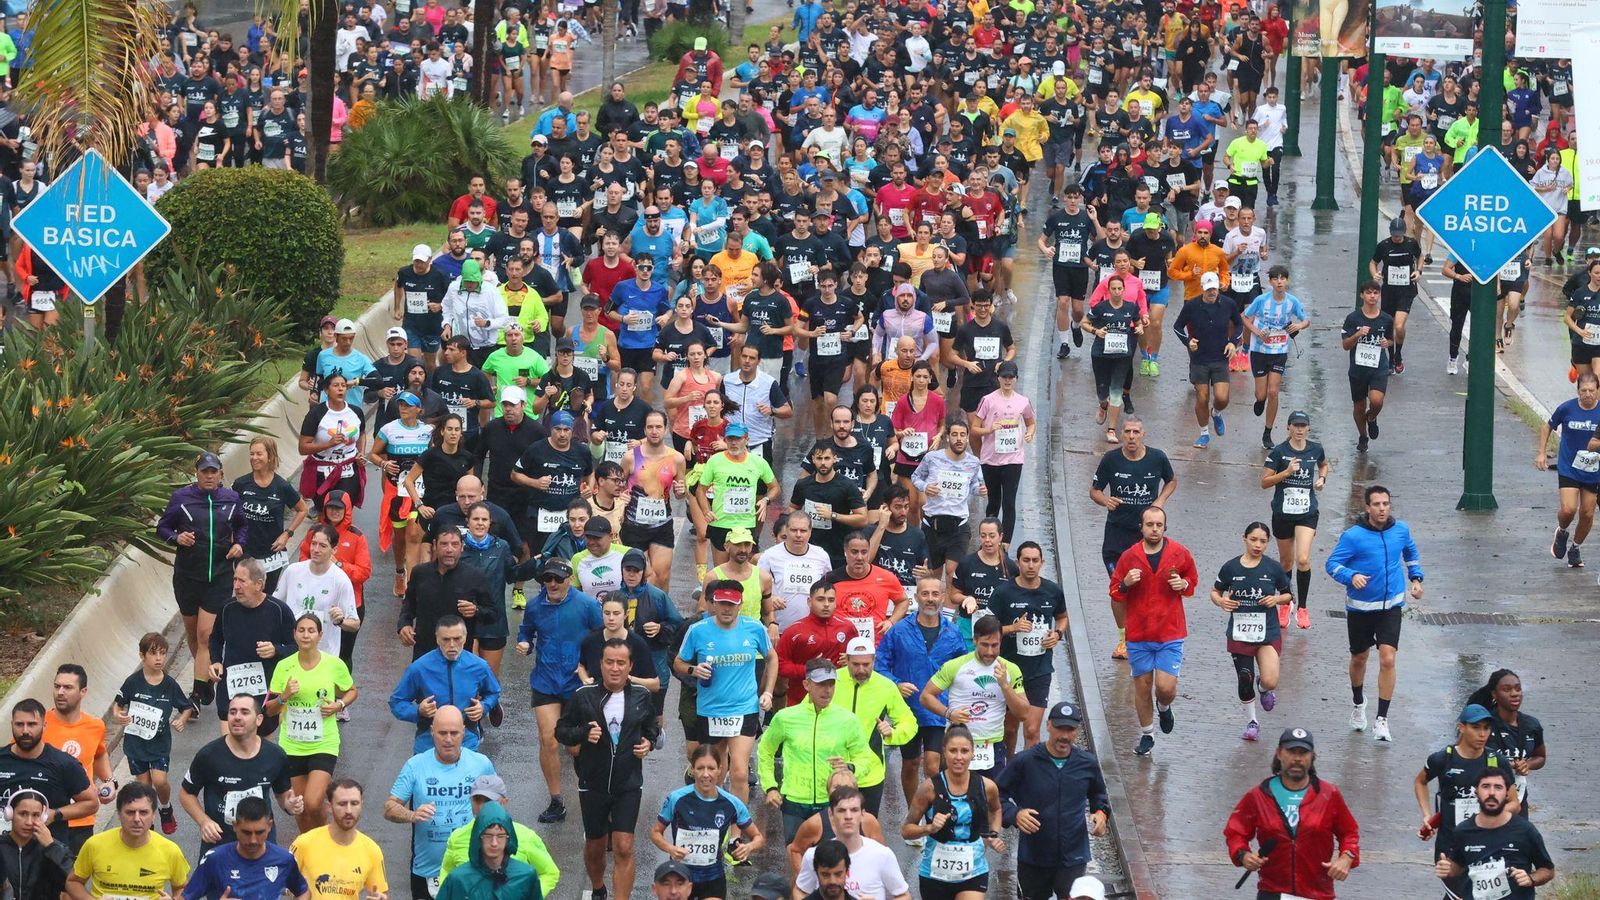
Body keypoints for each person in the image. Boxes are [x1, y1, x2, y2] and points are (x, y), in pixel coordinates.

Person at [556, 638, 660, 900]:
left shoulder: (641, 695)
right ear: (600, 665)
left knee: (624, 846)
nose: (615, 668)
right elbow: (561, 731)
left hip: (628, 783)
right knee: (595, 846)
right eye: (609, 662)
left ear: (630, 666)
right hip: (593, 783)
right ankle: (599, 888)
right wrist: (583, 733)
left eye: (621, 663)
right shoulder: (583, 696)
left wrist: (647, 743)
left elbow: (652, 729)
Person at [1326, 485, 1423, 743]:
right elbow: (1332, 564)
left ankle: (1382, 720)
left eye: (1386, 503)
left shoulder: (1400, 530)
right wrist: (1351, 576)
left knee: (1388, 659)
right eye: (1377, 504)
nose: (1382, 508)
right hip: (1360, 608)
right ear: (1367, 508)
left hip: (1391, 606)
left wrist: (1416, 579)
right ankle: (1358, 704)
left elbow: (1411, 553)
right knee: (1359, 658)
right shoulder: (1353, 536)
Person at [1224, 727, 1360, 900]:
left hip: (1318, 893)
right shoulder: (1259, 795)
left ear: (1312, 757)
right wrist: (1243, 855)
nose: (1297, 759)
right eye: (1291, 752)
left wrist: (1347, 857)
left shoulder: (1328, 794)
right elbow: (1235, 832)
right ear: (1279, 754)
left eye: (1303, 753)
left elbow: (1349, 832)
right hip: (1272, 892)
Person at [157, 451, 248, 708]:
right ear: (196, 474)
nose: (209, 476)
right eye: (204, 472)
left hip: (219, 575)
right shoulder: (181, 498)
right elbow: (162, 527)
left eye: (214, 472)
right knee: (192, 633)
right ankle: (206, 677)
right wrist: (177, 538)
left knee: (205, 634)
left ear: (221, 474)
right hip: (187, 576)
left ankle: (196, 695)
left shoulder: (231, 499)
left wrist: (239, 545)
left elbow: (242, 526)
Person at [515, 556, 602, 824]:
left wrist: (589, 671)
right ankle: (556, 800)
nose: (551, 584)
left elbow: (601, 638)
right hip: (546, 681)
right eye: (546, 579)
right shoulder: (534, 606)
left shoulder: (587, 605)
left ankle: (592, 791)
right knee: (548, 738)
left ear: (569, 580)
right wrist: (524, 643)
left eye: (557, 579)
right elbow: (525, 631)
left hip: (577, 683)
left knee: (576, 748)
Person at [995, 703, 1111, 899]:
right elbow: (996, 795)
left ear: (1077, 730)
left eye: (1070, 729)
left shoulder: (1087, 763)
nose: (1064, 736)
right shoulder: (1025, 761)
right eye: (1059, 728)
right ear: (1048, 725)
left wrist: (1101, 814)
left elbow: (1099, 795)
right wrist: (1014, 814)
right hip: (1034, 856)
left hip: (1073, 857)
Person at [1109, 506, 1198, 757]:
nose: (1155, 529)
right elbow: (1115, 591)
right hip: (1139, 633)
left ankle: (1164, 705)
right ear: (1142, 527)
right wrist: (1125, 584)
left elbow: (1192, 579)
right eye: (1150, 524)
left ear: (1165, 527)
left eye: (1159, 525)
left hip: (1170, 632)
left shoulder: (1179, 553)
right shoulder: (1129, 556)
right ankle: (1147, 733)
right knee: (1142, 685)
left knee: (1165, 687)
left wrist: (1184, 584)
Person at [386, 706, 497, 899]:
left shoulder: (481, 764)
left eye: (454, 733)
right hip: (427, 871)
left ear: (463, 732)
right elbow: (389, 808)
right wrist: (412, 815)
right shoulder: (416, 765)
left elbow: (498, 805)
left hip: (471, 867)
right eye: (442, 733)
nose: (448, 739)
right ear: (432, 733)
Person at [758, 659, 873, 844]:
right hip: (794, 802)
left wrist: (850, 768)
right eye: (821, 684)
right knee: (796, 858)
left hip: (832, 801)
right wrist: (770, 787)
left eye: (831, 684)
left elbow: (865, 758)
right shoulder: (786, 718)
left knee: (833, 863)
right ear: (807, 685)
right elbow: (765, 751)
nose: (827, 690)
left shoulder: (848, 720)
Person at [1090, 417, 1175, 659]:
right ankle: (1124, 639)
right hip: (1116, 537)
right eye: (1126, 431)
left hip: (1146, 540)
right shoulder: (1111, 459)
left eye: (1135, 432)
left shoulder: (1157, 458)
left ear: (1143, 434)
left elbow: (1171, 481)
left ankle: (1145, 635)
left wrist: (1159, 502)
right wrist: (1105, 500)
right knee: (1119, 589)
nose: (1130, 436)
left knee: (1146, 589)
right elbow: (1094, 490)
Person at [1415, 705, 1519, 900]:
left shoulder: (1497, 761)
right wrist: (1427, 814)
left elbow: (1515, 803)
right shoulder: (1443, 758)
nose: (1482, 734)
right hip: (1450, 846)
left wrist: (1491, 815)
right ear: (1461, 727)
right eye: (1476, 727)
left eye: (1486, 728)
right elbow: (1420, 781)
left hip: (1488, 845)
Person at [266, 613, 357, 834]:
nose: (306, 635)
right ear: (294, 634)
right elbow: (269, 709)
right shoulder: (284, 666)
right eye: (301, 630)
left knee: (314, 802)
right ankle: (310, 850)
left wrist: (339, 705)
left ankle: (323, 840)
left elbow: (351, 691)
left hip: (323, 743)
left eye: (311, 630)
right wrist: (284, 696)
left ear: (320, 635)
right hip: (293, 745)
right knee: (301, 808)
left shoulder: (333, 665)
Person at [179, 695, 303, 855]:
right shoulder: (209, 755)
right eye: (232, 712)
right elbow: (186, 794)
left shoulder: (275, 755)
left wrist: (290, 804)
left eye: (244, 712)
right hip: (220, 844)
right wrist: (204, 822)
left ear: (259, 719)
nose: (237, 717)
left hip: (261, 844)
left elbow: (283, 795)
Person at [902, 725, 1005, 900]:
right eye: (953, 751)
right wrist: (929, 828)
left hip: (973, 870)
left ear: (973, 753)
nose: (959, 757)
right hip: (935, 874)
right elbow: (906, 831)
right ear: (944, 752)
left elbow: (996, 809)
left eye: (964, 751)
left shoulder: (987, 786)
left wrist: (993, 834)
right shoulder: (929, 788)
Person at [920, 616, 1029, 780]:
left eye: (995, 645)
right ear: (975, 641)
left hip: (992, 745)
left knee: (992, 801)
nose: (990, 652)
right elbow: (926, 696)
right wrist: (949, 714)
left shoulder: (1011, 670)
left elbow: (1023, 713)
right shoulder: (955, 666)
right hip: (958, 744)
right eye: (985, 645)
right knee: (955, 800)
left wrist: (1005, 686)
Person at [1211, 523, 1292, 742]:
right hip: (1240, 632)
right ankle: (1252, 721)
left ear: (1268, 543)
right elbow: (1215, 591)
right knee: (1244, 677)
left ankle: (1264, 689)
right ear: (1244, 539)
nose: (1257, 545)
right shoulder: (1231, 568)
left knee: (1271, 679)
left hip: (1267, 631)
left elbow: (1288, 595)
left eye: (1263, 541)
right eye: (1253, 540)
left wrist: (1276, 599)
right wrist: (1221, 601)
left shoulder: (1273, 568)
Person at [651, 745, 764, 897]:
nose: (705, 774)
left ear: (720, 770)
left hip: (713, 878)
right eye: (700, 768)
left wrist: (748, 847)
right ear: (692, 770)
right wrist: (670, 848)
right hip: (680, 879)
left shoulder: (732, 803)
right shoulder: (676, 798)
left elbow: (758, 838)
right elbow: (656, 833)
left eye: (711, 768)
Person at [113, 633, 197, 836]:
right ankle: (148, 822)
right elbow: (118, 704)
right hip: (136, 743)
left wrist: (182, 720)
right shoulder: (133, 682)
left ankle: (165, 808)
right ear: (142, 656)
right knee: (144, 786)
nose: (159, 658)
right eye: (153, 653)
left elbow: (186, 707)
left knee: (160, 782)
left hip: (159, 743)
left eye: (163, 653)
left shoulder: (169, 684)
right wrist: (118, 716)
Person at [1433, 769, 1554, 898]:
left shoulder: (1525, 830)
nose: (1491, 793)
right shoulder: (1463, 831)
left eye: (1498, 787)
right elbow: (1458, 866)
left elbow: (1548, 870)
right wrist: (1448, 869)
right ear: (1476, 792)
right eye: (1485, 787)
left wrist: (1530, 879)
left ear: (1507, 794)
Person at [390, 615, 502, 754]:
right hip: (428, 742)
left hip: (467, 740)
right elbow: (397, 702)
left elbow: (493, 692)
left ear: (465, 638)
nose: (452, 645)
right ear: (437, 639)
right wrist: (418, 711)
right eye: (446, 639)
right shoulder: (420, 668)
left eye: (457, 639)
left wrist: (483, 707)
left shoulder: (479, 666)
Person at [209, 560, 296, 736]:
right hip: (231, 689)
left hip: (265, 693)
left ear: (259, 584)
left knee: (259, 754)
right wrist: (216, 661)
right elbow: (215, 639)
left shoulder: (279, 610)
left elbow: (296, 648)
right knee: (230, 751)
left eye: (242, 581)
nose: (236, 586)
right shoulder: (227, 609)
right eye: (234, 580)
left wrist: (276, 650)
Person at [832, 637, 917, 816]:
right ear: (846, 660)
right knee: (833, 831)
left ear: (874, 661)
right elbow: (807, 714)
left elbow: (909, 722)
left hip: (870, 773)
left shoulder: (886, 686)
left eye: (866, 664)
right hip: (834, 771)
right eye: (855, 664)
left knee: (866, 830)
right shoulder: (832, 681)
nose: (861, 670)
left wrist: (893, 733)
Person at [1262, 411, 1328, 627]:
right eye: (1296, 425)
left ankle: (1303, 608)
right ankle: (1286, 603)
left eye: (1303, 426)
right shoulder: (1279, 452)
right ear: (1288, 427)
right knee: (1286, 562)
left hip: (1307, 513)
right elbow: (1264, 482)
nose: (1299, 430)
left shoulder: (1315, 449)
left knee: (1303, 559)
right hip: (1283, 514)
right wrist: (1287, 472)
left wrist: (1322, 479)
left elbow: (1323, 464)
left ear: (1308, 428)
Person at [68, 783, 189, 900]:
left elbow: (182, 888)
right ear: (119, 815)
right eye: (130, 812)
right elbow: (73, 882)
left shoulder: (171, 851)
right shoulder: (94, 845)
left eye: (143, 812)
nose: (137, 819)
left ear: (153, 816)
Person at [0, 700, 95, 847]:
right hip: (6, 855)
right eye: (19, 724)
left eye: (32, 724)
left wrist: (55, 815)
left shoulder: (63, 763)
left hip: (48, 855)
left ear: (44, 726)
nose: (25, 730)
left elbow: (91, 803)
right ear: (12, 724)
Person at [793, 786, 911, 900]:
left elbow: (903, 895)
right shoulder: (813, 855)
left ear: (863, 814)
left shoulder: (882, 855)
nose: (848, 816)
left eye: (854, 810)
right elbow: (801, 891)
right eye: (841, 810)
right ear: (831, 814)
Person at [181, 795, 309, 899]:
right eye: (246, 832)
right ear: (235, 825)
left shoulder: (285, 859)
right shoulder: (215, 859)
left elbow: (303, 892)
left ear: (269, 826)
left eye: (259, 832)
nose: (253, 840)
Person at [42, 664, 112, 851]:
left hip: (81, 819)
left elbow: (99, 754)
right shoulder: (38, 725)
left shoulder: (96, 726)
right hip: (45, 821)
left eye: (68, 687)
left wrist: (109, 781)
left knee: (75, 879)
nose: (60, 692)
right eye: (57, 687)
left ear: (83, 692)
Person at [1170, 271, 1243, 449]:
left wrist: (1233, 343)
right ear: (1202, 288)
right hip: (1199, 359)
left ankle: (1216, 413)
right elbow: (1177, 326)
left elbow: (1239, 324)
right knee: (1202, 398)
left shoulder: (1228, 304)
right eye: (1209, 289)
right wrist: (1188, 342)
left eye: (1215, 289)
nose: (1212, 292)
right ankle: (1204, 433)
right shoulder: (1192, 306)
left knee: (1222, 397)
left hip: (1220, 357)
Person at [1241, 267, 1309, 449]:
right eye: (1275, 279)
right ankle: (1259, 401)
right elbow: (1245, 317)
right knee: (1262, 393)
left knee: (1273, 392)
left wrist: (1298, 326)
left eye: (1283, 279)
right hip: (1260, 351)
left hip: (1279, 351)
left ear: (1287, 281)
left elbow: (1306, 320)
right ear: (1270, 281)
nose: (1279, 282)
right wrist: (1256, 331)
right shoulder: (1261, 300)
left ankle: (1267, 432)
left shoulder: (1292, 301)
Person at [1537, 372, 1600, 569]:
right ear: (1578, 391)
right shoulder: (1567, 408)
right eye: (1584, 391)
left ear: (1598, 391)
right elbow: (1547, 427)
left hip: (1593, 471)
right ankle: (1562, 531)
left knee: (1587, 513)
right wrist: (1541, 453)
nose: (1588, 394)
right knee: (1568, 509)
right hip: (1569, 467)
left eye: (1591, 391)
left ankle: (1576, 547)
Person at [290, 778, 390, 900]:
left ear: (361, 805)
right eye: (342, 804)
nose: (348, 811)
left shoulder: (372, 850)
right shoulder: (304, 844)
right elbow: (279, 883)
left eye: (354, 803)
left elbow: (380, 893)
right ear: (329, 807)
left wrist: (381, 898)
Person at [1469, 669, 1547, 812]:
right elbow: (1469, 757)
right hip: (1484, 801)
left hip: (1517, 800)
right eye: (1507, 689)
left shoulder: (1532, 725)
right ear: (1494, 694)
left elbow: (1540, 756)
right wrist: (1505, 764)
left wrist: (1527, 764)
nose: (1514, 693)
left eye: (1518, 689)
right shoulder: (1484, 725)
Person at [435, 801, 542, 900]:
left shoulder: (526, 876)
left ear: (508, 838)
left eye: (500, 836)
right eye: (488, 835)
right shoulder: (458, 879)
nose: (494, 843)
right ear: (478, 837)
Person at [1340, 281, 1395, 453]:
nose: (1372, 296)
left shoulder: (1386, 319)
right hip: (1358, 369)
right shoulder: (1353, 318)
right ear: (1362, 295)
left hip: (1378, 366)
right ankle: (1363, 436)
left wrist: (1388, 342)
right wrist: (1357, 334)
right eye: (1369, 293)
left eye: (1375, 293)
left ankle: (1372, 418)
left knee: (1377, 400)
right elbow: (1345, 345)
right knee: (1359, 407)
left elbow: (1391, 339)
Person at [1367, 217, 1420, 373]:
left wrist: (1418, 271)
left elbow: (1420, 256)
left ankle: (1398, 355)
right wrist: (1374, 274)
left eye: (1399, 234)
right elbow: (1373, 262)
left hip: (1406, 290)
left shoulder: (1411, 244)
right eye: (1394, 234)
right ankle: (1391, 359)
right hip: (1389, 290)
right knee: (1388, 326)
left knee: (1399, 325)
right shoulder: (1384, 246)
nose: (1397, 237)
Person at [0, 789, 72, 897]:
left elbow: (73, 882)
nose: (29, 822)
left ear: (43, 818)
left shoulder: (52, 848)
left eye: (35, 815)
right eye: (23, 814)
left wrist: (51, 847)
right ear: (10, 814)